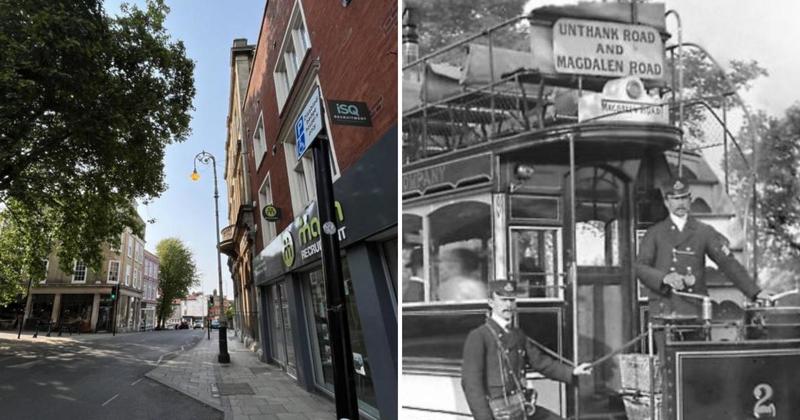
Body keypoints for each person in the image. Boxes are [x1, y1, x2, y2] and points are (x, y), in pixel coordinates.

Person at [635, 176, 771, 321]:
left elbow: (728, 264)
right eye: (675, 199)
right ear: (666, 202)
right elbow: (640, 267)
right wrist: (664, 278)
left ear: (690, 200)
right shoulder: (654, 233)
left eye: (684, 198)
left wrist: (755, 292)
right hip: (664, 309)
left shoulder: (704, 231)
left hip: (694, 309)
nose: (680, 203)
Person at [461, 280, 592, 420]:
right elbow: (471, 385)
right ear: (491, 302)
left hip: (520, 407)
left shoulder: (517, 334)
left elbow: (541, 363)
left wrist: (572, 371)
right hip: (498, 414)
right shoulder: (479, 336)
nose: (508, 305)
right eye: (503, 300)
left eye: (511, 300)